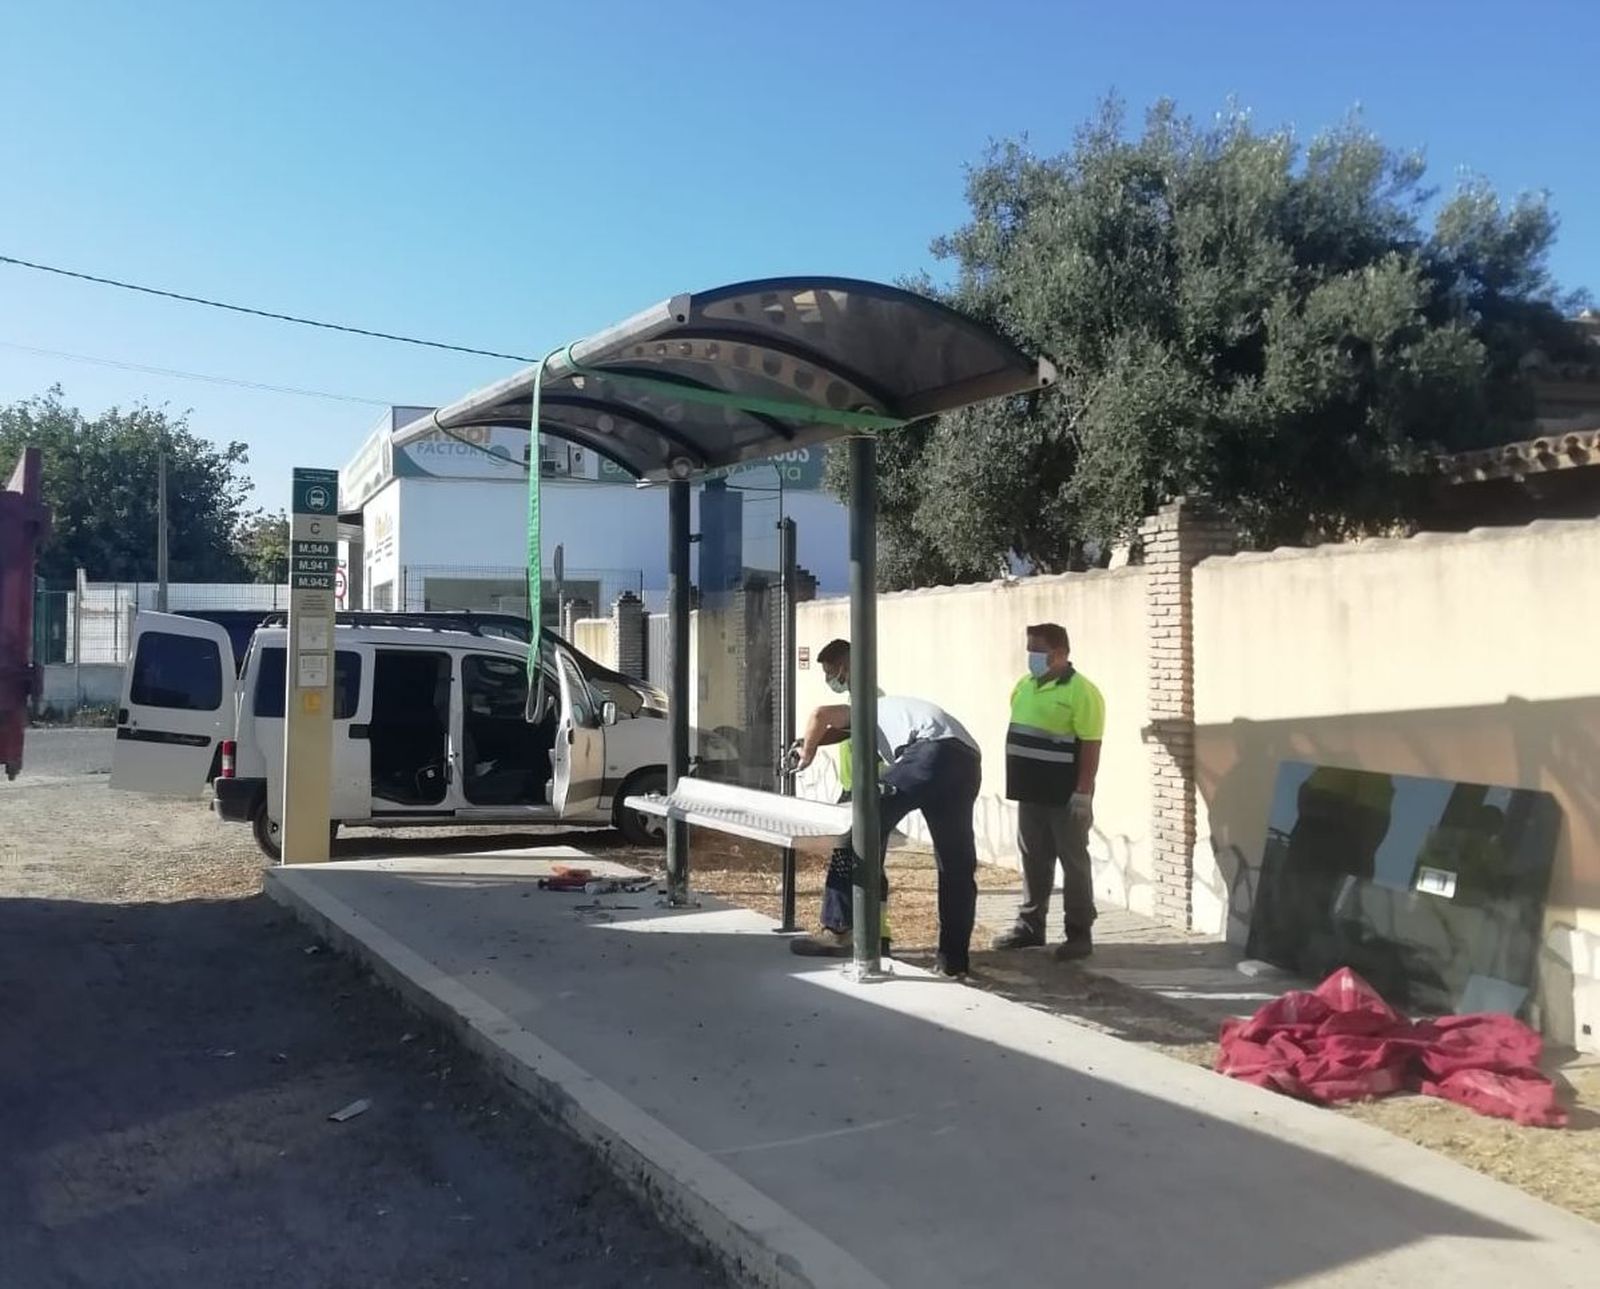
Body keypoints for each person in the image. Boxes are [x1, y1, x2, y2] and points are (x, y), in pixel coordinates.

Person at [789, 665, 983, 978]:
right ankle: (953, 961)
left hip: (928, 754)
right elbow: (837, 732)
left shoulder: (866, 708)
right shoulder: (897, 713)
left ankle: (840, 929)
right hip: (966, 760)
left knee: (857, 829)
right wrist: (811, 741)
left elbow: (820, 716)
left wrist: (807, 753)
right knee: (956, 864)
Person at [991, 623, 1105, 961]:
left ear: (1061, 653)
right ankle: (1030, 927)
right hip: (1030, 791)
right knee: (1033, 858)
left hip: (1065, 793)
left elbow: (1091, 745)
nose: (1032, 657)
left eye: (1038, 651)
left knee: (1074, 861)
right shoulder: (1024, 686)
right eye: (1030, 650)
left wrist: (1083, 791)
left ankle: (1079, 933)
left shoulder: (1081, 692)